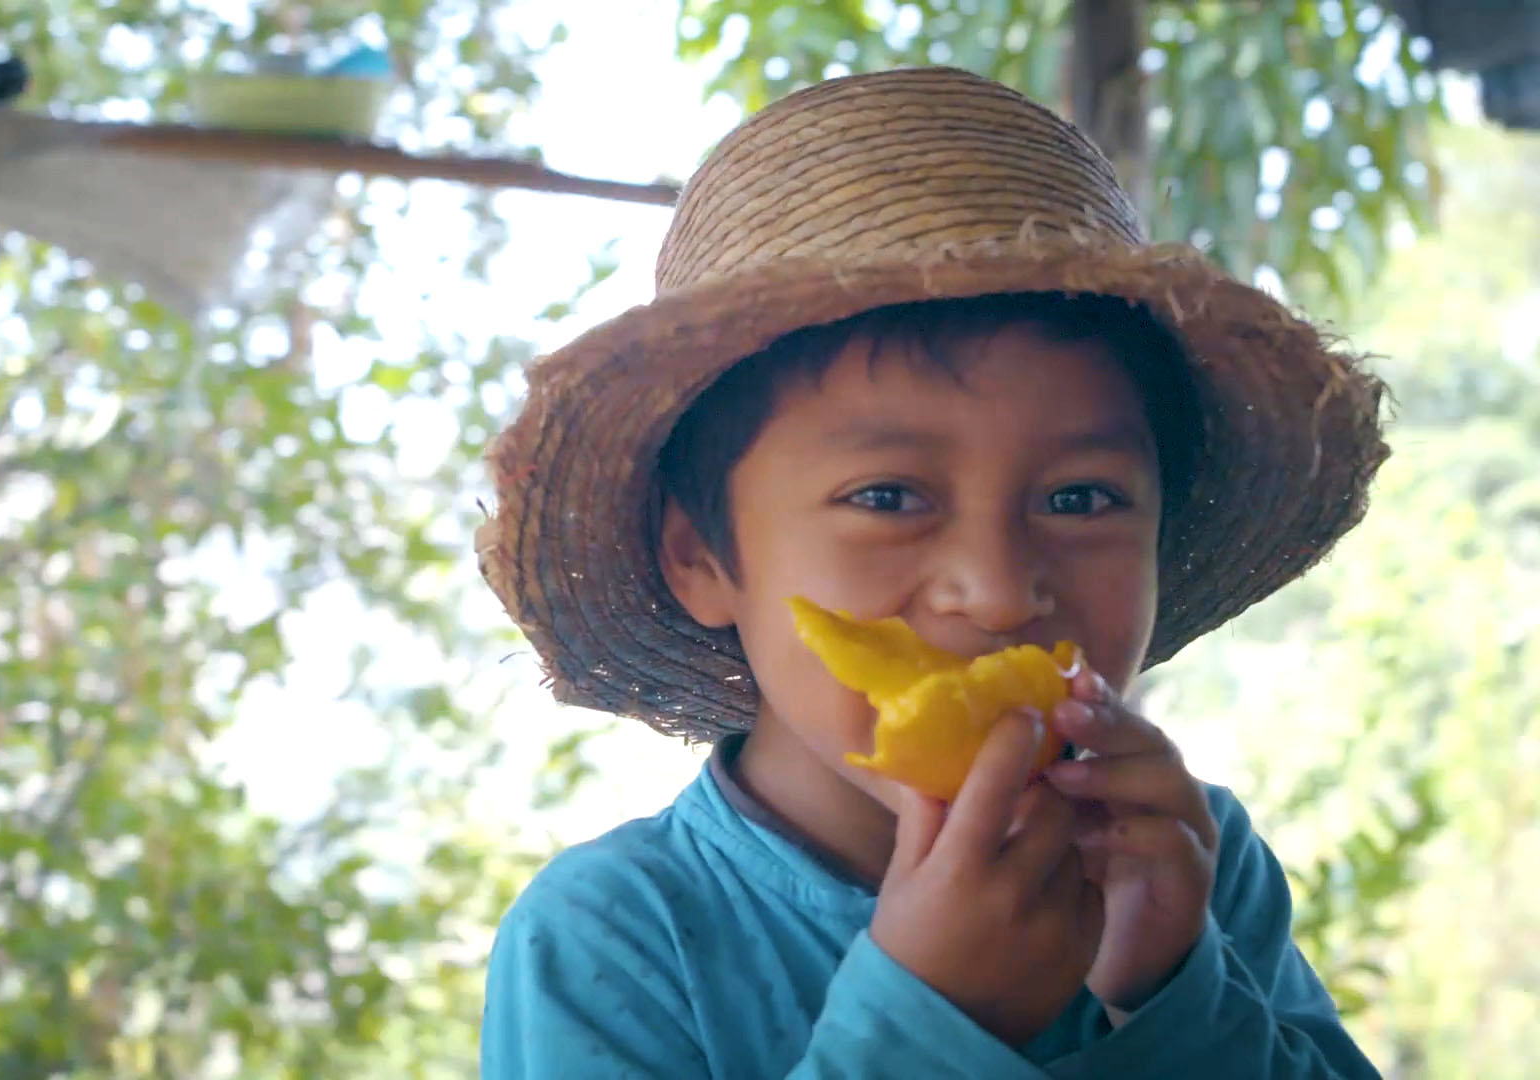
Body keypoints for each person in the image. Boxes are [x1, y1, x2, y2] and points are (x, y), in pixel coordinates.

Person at [473, 66, 1388, 1078]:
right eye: (888, 498)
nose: (998, 592)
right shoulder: (617, 937)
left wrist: (1173, 988)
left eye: (1080, 499)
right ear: (698, 556)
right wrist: (933, 1019)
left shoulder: (1190, 860)